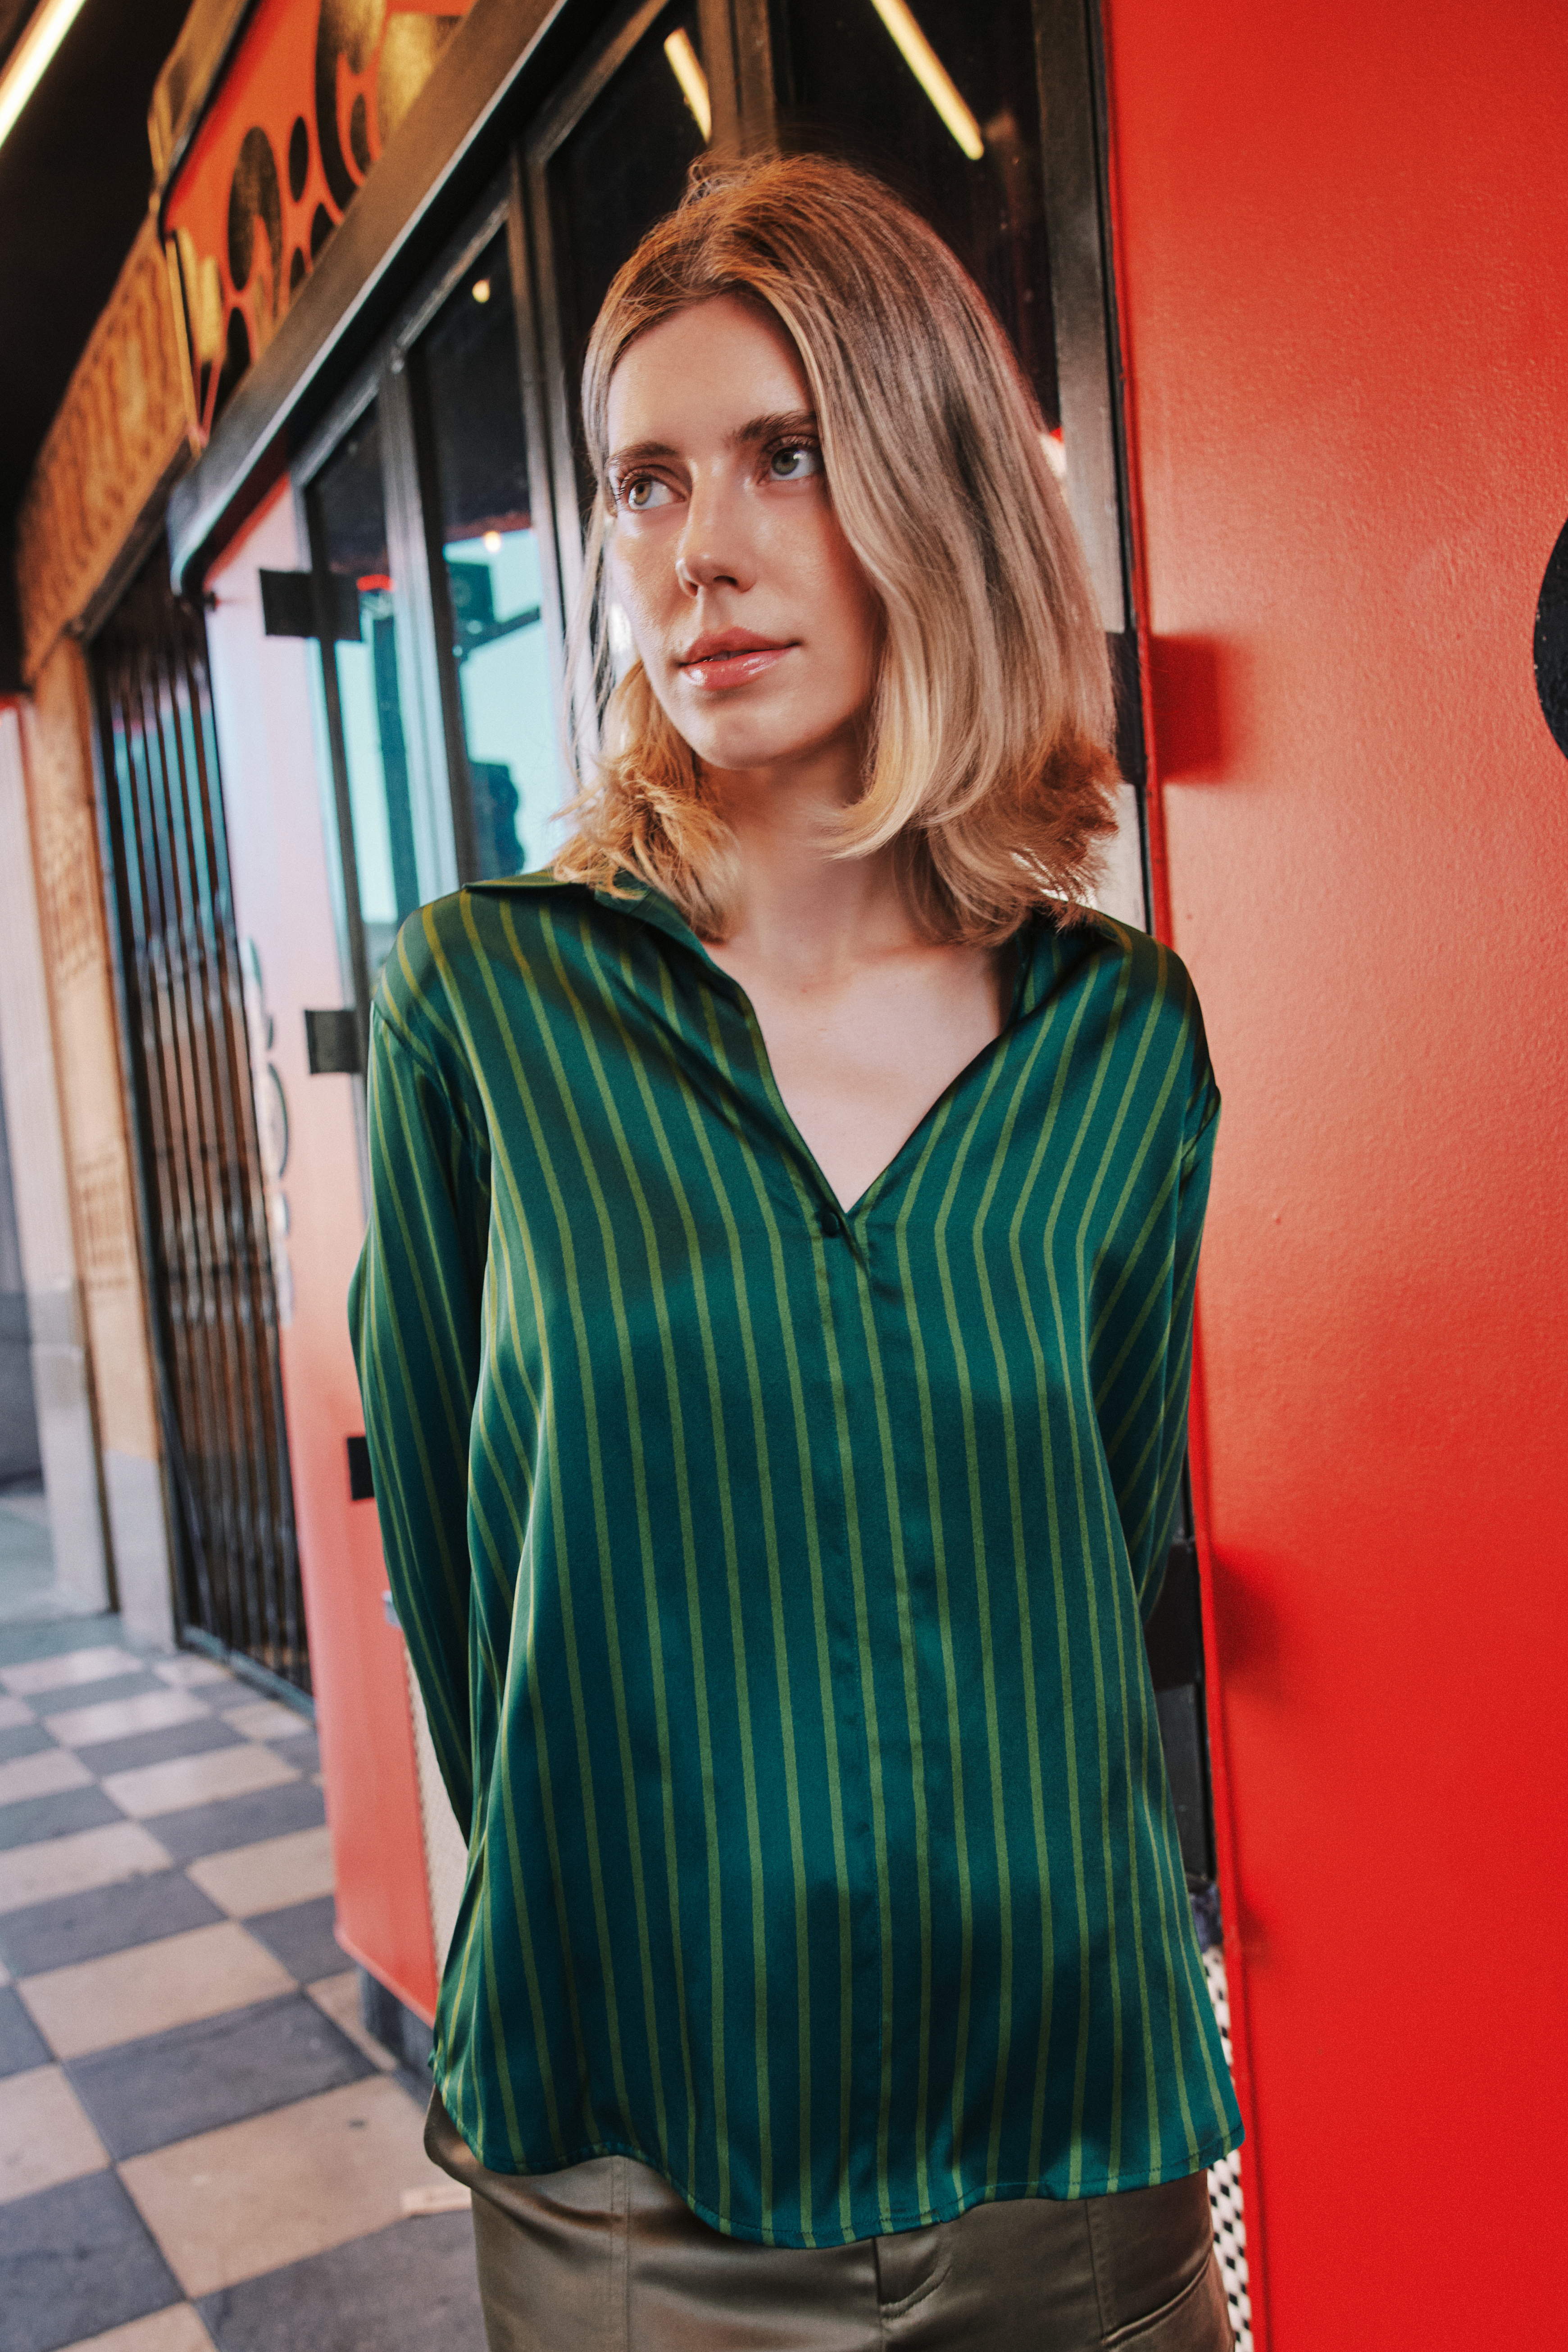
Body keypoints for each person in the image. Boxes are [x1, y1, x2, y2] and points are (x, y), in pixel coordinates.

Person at [350, 151, 1241, 2350]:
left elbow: (1096, 1545)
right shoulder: (486, 1006)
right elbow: (471, 1604)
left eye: (787, 455)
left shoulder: (1121, 1041)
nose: (702, 554)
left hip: (1071, 2151)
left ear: (935, 489)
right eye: (643, 484)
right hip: (641, 2183)